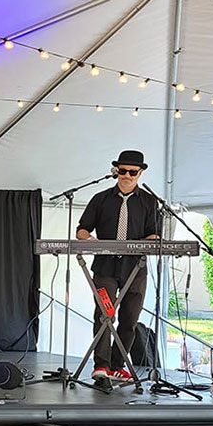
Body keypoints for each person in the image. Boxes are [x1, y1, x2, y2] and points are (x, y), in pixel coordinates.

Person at [76, 150, 161, 380]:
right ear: (116, 171)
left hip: (135, 268)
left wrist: (136, 245)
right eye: (122, 171)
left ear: (140, 173)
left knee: (130, 319)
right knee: (104, 315)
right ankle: (101, 365)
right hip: (105, 267)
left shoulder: (149, 202)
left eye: (132, 172)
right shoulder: (100, 199)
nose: (127, 175)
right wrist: (93, 242)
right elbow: (82, 230)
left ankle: (116, 364)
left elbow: (154, 235)